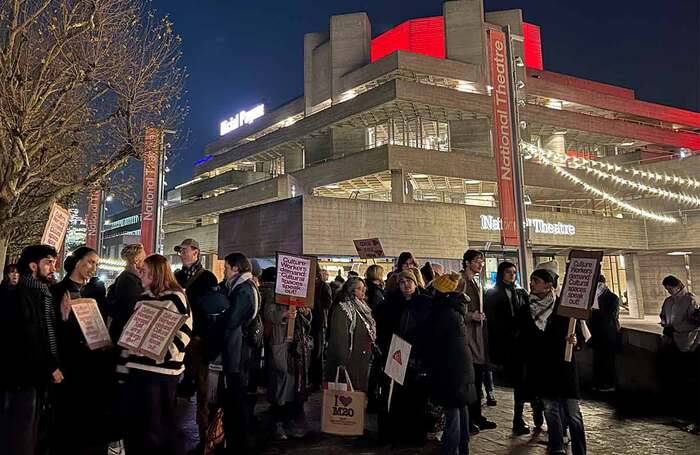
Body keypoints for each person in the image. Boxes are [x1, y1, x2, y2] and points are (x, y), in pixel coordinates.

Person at [123, 254, 192, 455]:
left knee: (159, 426)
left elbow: (184, 333)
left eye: (143, 270)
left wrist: (161, 353)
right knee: (138, 425)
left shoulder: (176, 297)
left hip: (161, 373)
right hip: (137, 369)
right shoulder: (143, 297)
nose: (139, 273)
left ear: (155, 273)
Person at [51, 246, 114, 455]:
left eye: (96, 264)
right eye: (90, 262)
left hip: (90, 362)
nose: (93, 267)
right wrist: (64, 319)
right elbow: (55, 331)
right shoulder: (61, 290)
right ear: (77, 262)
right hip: (70, 364)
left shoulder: (91, 290)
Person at [0, 245, 62, 455]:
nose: (53, 267)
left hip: (36, 376)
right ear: (33, 266)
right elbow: (30, 336)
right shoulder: (21, 295)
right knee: (21, 433)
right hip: (23, 377)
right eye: (48, 262)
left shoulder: (42, 292)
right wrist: (51, 365)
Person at [520, 264, 587, 455]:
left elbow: (580, 335)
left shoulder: (565, 307)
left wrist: (575, 341)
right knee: (550, 411)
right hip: (542, 368)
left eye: (536, 281)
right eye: (532, 280)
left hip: (564, 367)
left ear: (548, 285)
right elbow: (523, 337)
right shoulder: (526, 308)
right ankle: (556, 446)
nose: (532, 284)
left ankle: (580, 450)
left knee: (573, 413)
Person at [484, 261, 543, 434]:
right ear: (502, 274)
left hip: (526, 343)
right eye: (509, 272)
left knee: (531, 379)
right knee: (519, 381)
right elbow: (493, 319)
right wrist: (510, 332)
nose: (512, 275)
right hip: (510, 344)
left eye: (514, 272)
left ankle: (535, 409)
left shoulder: (521, 292)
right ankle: (519, 417)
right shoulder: (493, 293)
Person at [376, 271, 433, 446]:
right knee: (397, 397)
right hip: (396, 354)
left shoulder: (425, 303)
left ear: (416, 283)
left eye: (409, 281)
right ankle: (397, 434)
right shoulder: (391, 305)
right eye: (402, 282)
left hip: (417, 358)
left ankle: (415, 435)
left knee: (416, 399)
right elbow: (384, 329)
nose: (406, 285)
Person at [173, 238, 218, 451]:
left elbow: (212, 311)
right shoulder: (177, 276)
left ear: (196, 253)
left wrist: (204, 336)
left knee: (201, 382)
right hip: (179, 336)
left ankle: (203, 428)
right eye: (180, 251)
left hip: (198, 338)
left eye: (185, 250)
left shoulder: (208, 278)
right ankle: (176, 423)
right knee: (177, 377)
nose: (181, 253)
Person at [426, 272, 475, 455]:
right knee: (460, 408)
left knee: (452, 410)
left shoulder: (443, 311)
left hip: (449, 366)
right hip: (461, 365)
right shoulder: (455, 307)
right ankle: (463, 447)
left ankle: (450, 449)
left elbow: (434, 339)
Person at [261, 267, 312, 440]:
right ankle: (277, 420)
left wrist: (305, 313)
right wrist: (284, 313)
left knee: (294, 380)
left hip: (297, 343)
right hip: (280, 341)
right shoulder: (273, 293)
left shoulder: (300, 293)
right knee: (281, 379)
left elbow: (307, 318)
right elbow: (269, 314)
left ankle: (290, 417)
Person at [221, 252, 260, 452]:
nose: (224, 271)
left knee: (237, 396)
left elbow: (232, 320)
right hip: (237, 348)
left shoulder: (243, 289)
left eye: (226, 267)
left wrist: (220, 314)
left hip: (239, 350)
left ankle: (240, 441)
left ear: (236, 268)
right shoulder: (240, 286)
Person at [456, 250, 496, 433]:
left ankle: (476, 415)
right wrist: (472, 315)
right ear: (467, 262)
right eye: (477, 261)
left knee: (478, 377)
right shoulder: (461, 281)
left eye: (482, 261)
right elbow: (456, 308)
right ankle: (471, 417)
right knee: (472, 379)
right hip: (469, 337)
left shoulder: (475, 281)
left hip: (477, 336)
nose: (480, 264)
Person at [659, 275, 699, 431]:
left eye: (670, 288)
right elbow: (663, 315)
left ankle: (688, 414)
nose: (669, 291)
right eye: (667, 289)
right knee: (675, 379)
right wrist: (665, 324)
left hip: (689, 342)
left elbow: (695, 321)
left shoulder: (690, 300)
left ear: (678, 286)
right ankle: (678, 411)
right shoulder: (668, 301)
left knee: (688, 380)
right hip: (672, 341)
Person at [326, 277, 376, 393]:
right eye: (359, 289)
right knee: (349, 393)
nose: (363, 291)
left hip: (360, 359)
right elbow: (340, 338)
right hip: (349, 361)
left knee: (357, 393)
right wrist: (342, 361)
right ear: (351, 290)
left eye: (364, 288)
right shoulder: (343, 309)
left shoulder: (362, 306)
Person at [587, 275, 621, 392]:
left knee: (608, 360)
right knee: (598, 360)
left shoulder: (612, 297)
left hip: (608, 334)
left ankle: (608, 383)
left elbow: (612, 316)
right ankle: (598, 382)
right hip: (597, 335)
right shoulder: (594, 298)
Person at [310, 262, 333, 391]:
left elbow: (328, 303)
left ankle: (316, 380)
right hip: (308, 320)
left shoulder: (323, 286)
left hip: (318, 321)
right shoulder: (306, 285)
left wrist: (313, 303)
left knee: (317, 352)